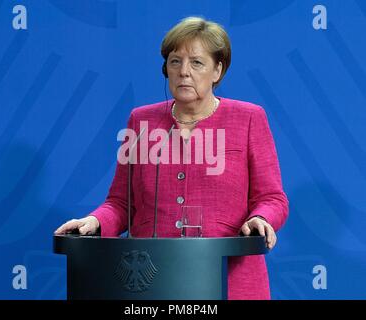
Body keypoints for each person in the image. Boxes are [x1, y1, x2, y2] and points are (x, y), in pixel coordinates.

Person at [55, 16, 289, 300]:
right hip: (151, 283)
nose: (184, 72)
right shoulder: (141, 121)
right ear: (165, 68)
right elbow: (121, 202)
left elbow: (272, 198)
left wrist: (261, 219)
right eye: (175, 62)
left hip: (230, 281)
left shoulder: (249, 118)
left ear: (218, 69)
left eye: (197, 63)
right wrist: (94, 221)